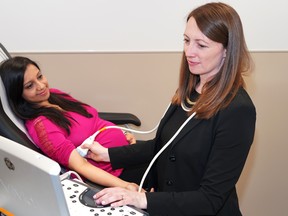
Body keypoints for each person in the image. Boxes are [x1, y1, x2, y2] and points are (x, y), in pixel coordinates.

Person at [82, 2, 256, 216]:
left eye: (201, 45)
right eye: (186, 40)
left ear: (227, 51)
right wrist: (109, 154)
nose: (189, 52)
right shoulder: (191, 90)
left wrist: (143, 198)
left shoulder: (238, 110)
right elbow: (164, 145)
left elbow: (209, 199)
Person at [0, 56, 139, 190]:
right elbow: (81, 166)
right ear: (18, 94)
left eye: (40, 76)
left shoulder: (54, 95)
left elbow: (93, 119)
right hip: (114, 174)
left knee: (160, 147)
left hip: (122, 155)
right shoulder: (43, 127)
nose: (41, 86)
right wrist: (126, 186)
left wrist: (123, 133)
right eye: (30, 85)